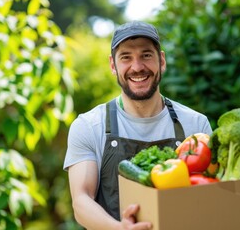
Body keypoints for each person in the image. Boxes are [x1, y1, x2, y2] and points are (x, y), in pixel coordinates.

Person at [63, 21, 213, 230]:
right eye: (126, 57)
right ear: (113, 65)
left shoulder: (195, 124)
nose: (137, 67)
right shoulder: (89, 126)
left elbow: (211, 197)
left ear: (161, 60)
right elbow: (81, 201)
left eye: (146, 55)